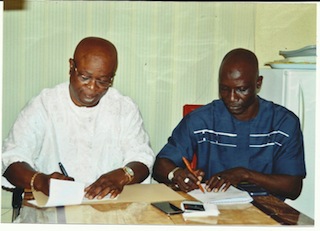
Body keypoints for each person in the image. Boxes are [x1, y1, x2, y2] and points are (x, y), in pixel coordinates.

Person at [2, 37, 155, 221]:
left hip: (110, 214)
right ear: (71, 67)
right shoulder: (44, 105)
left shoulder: (123, 108)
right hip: (50, 215)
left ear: (112, 78)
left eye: (103, 81)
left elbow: (142, 158)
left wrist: (123, 175)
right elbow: (12, 160)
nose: (92, 88)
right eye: (85, 77)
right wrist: (41, 181)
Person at [152, 48, 305, 201]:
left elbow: (293, 187)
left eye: (241, 89)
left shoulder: (284, 123)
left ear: (258, 83)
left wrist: (245, 174)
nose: (231, 98)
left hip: (266, 211)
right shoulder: (201, 120)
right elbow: (161, 164)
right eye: (224, 89)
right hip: (214, 209)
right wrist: (176, 174)